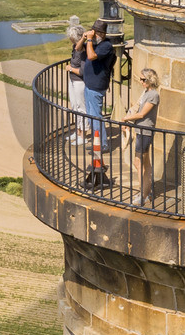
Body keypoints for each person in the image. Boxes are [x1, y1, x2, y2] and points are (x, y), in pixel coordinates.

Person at [116, 67, 161, 202]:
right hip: (141, 130)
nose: (141, 82)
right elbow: (137, 109)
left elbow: (142, 114)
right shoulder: (146, 92)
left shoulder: (153, 95)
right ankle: (146, 191)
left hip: (145, 131)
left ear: (149, 80)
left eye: (143, 79)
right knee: (144, 163)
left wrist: (125, 119)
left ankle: (144, 194)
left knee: (138, 163)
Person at [77, 22, 116, 170]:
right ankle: (97, 143)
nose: (93, 35)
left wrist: (89, 41)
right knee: (92, 116)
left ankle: (103, 144)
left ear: (101, 34)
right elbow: (78, 48)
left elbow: (91, 56)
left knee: (96, 117)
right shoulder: (95, 43)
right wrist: (84, 38)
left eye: (95, 32)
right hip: (90, 85)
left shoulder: (106, 46)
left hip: (96, 86)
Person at [65, 21, 87, 134]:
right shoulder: (75, 47)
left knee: (81, 107)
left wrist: (70, 69)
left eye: (72, 38)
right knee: (74, 106)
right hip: (73, 80)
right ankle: (78, 131)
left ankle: (82, 134)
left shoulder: (83, 50)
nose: (70, 40)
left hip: (79, 82)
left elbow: (82, 71)